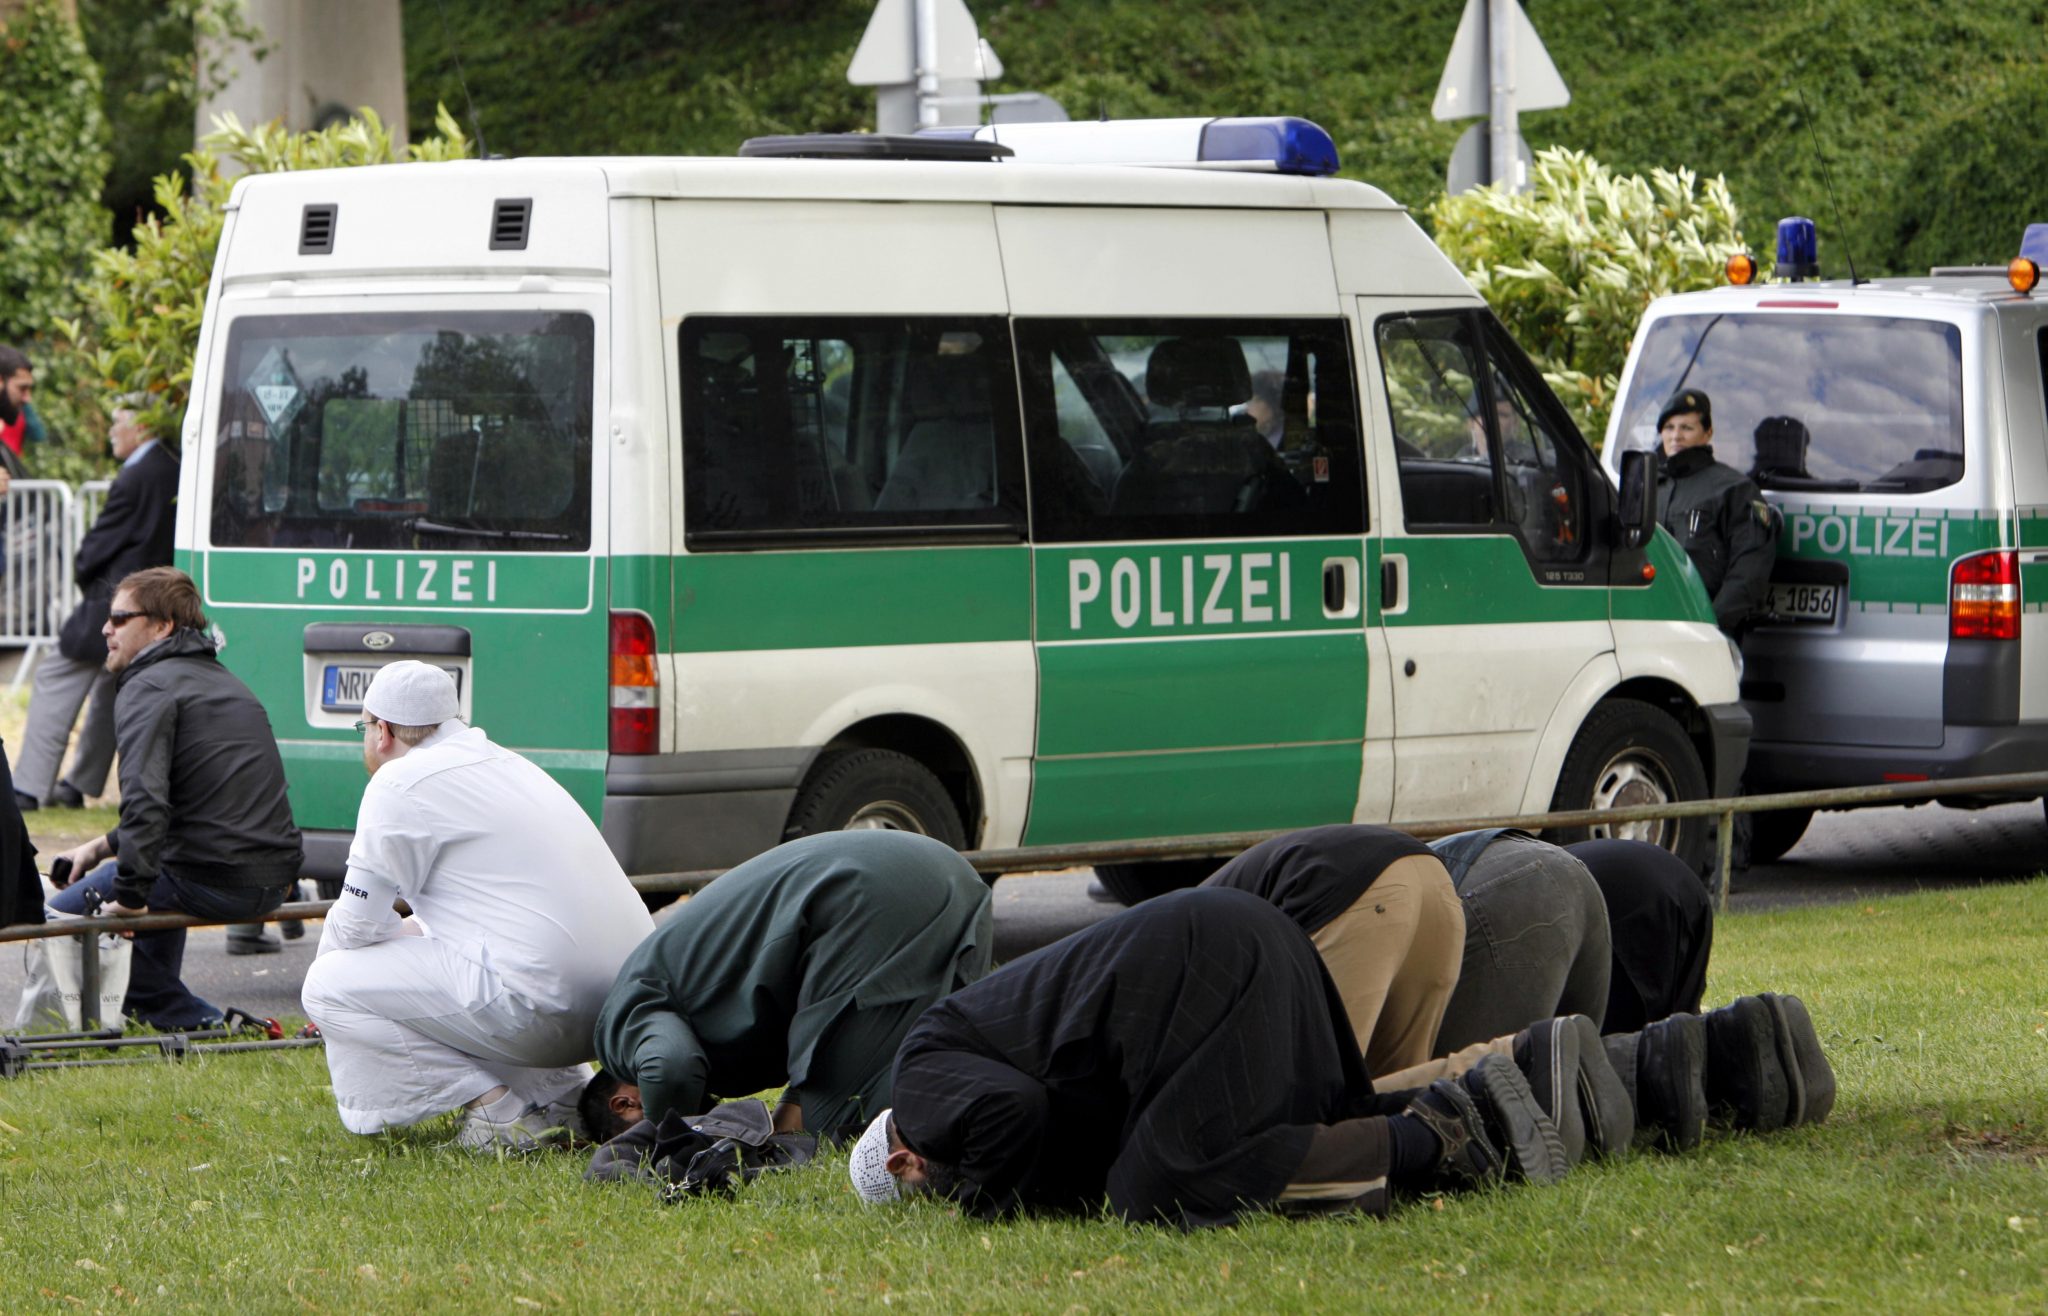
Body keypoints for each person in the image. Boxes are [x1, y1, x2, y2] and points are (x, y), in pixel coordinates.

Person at [850, 888, 1570, 1227]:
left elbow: (1016, 1115)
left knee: (1159, 1187)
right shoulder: (959, 1052)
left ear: (902, 1161)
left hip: (1207, 961)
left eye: (926, 1190)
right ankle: (1511, 1093)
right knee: (1314, 1117)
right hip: (1245, 937)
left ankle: (1439, 1136)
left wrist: (983, 1207)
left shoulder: (918, 1083)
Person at [301, 661, 654, 1150]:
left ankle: (497, 1117)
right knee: (461, 957)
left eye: (365, 727)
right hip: (620, 1011)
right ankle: (560, 1099)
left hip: (549, 1012)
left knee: (328, 983)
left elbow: (356, 926)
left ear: (382, 731)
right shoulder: (511, 764)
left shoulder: (398, 780)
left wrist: (325, 1006)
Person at [586, 829, 993, 1147]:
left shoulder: (621, 1032)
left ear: (624, 1103)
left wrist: (665, 1145)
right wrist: (782, 1120)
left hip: (862, 893)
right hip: (948, 872)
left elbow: (670, 1067)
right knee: (932, 1065)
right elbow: (810, 1057)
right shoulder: (677, 991)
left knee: (837, 1122)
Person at [45, 568, 303, 1029]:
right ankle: (166, 1019)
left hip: (216, 879)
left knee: (60, 920)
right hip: (274, 877)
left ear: (163, 626)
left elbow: (146, 804)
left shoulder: (149, 686)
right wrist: (100, 847)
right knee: (148, 876)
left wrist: (127, 897)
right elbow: (190, 802)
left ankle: (203, 1022)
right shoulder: (218, 679)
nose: (106, 628)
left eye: (121, 618)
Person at [14, 398, 177, 820]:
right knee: (111, 688)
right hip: (153, 602)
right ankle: (79, 783)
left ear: (140, 427)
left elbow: (96, 548)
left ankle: (29, 787)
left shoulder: (136, 475)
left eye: (116, 423)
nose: (110, 432)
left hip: (114, 599)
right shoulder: (172, 465)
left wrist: (86, 573)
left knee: (56, 676)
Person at [1200, 824, 1465, 1076]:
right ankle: (1497, 1065)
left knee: (1312, 1093)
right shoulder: (1194, 916)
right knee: (1397, 1097)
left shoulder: (1165, 952)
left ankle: (1501, 1056)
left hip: (1353, 883)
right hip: (1435, 878)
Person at [1655, 388, 1779, 635]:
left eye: (1686, 428)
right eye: (1669, 428)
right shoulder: (1649, 488)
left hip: (1708, 631)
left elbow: (1748, 571)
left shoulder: (1735, 489)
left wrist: (1711, 626)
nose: (1676, 436)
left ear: (1707, 433)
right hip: (1652, 628)